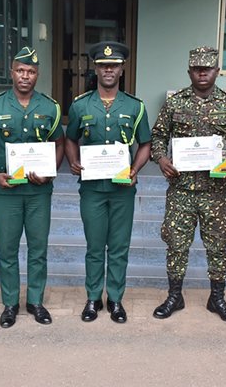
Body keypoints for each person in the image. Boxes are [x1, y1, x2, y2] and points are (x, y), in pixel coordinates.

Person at [150, 46, 226, 323]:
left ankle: (217, 298)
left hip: (215, 191)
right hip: (181, 189)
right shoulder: (174, 103)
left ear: (217, 71)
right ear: (190, 72)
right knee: (176, 244)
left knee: (218, 245)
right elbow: (157, 136)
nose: (202, 73)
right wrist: (161, 158)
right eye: (197, 68)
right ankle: (175, 295)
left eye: (208, 68)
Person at [0, 47, 64, 328]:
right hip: (8, 191)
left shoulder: (50, 107)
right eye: (21, 70)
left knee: (38, 248)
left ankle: (36, 301)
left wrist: (50, 173)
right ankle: (10, 303)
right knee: (8, 250)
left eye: (31, 72)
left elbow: (59, 143)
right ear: (12, 72)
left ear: (37, 75)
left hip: (39, 192)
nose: (26, 76)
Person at [65, 41, 151, 324]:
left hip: (122, 189)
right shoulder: (80, 105)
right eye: (103, 66)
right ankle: (93, 298)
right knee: (94, 245)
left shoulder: (135, 106)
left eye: (113, 65)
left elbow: (145, 144)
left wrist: (135, 169)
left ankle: (115, 298)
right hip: (92, 189)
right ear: (96, 68)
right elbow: (70, 139)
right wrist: (74, 161)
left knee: (118, 246)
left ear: (121, 69)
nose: (108, 70)